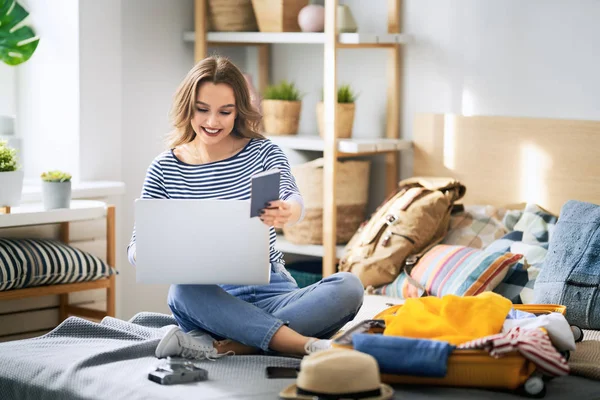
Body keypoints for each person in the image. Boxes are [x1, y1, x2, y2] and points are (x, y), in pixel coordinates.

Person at [127, 55, 364, 360]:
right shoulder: (164, 168)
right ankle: (294, 342)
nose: (213, 122)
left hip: (276, 294)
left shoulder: (263, 152)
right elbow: (136, 247)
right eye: (202, 110)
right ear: (188, 107)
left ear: (238, 111)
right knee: (182, 291)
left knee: (349, 285)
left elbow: (293, 198)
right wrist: (146, 253)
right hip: (213, 303)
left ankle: (242, 344)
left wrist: (289, 211)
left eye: (225, 112)